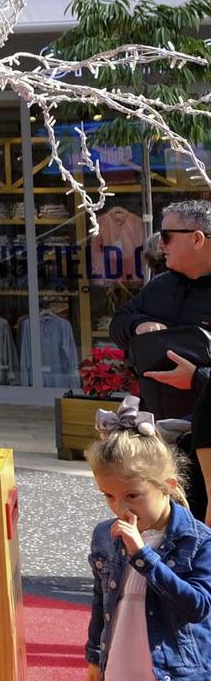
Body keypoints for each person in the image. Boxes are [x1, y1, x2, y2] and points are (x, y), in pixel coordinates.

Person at [83, 416, 211, 681]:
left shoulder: (200, 540)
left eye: (133, 495)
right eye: (109, 496)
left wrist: (144, 555)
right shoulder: (105, 535)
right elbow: (103, 598)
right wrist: (94, 656)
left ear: (169, 486)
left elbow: (197, 607)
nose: (121, 508)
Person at [111, 201, 211, 516]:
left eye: (166, 236)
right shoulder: (162, 286)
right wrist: (138, 325)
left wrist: (196, 377)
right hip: (163, 438)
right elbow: (119, 323)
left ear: (197, 239)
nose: (159, 244)